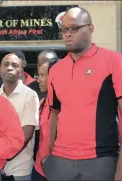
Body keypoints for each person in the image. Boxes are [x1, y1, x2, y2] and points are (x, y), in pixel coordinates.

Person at [43, 7, 122, 180]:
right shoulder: (55, 70)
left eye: (74, 28)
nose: (68, 34)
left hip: (101, 159)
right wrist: (50, 154)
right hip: (60, 161)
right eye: (64, 30)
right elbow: (54, 114)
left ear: (91, 29)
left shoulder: (114, 61)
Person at [0, 53, 39, 180]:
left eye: (14, 65)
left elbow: (26, 134)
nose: (9, 68)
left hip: (20, 169)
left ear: (21, 71)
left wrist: (5, 157)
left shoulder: (30, 95)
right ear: (0, 70)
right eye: (6, 64)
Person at [31, 61, 58, 181]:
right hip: (39, 169)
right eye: (39, 75)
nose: (38, 80)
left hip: (59, 168)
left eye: (43, 75)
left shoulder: (67, 106)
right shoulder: (42, 103)